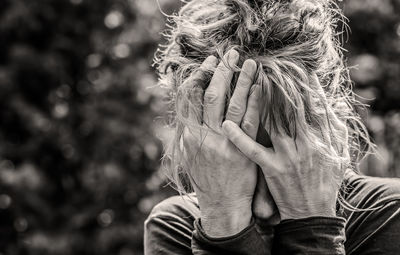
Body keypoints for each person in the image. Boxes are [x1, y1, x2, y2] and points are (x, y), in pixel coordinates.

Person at [145, 0, 400, 254]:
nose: (264, 209)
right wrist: (223, 219)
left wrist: (310, 221)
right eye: (236, 167)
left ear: (332, 124)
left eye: (286, 164)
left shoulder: (389, 213)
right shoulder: (176, 227)